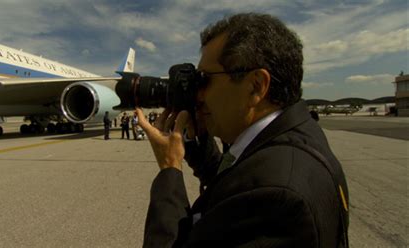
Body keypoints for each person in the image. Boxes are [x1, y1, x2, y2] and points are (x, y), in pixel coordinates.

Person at [136, 12, 349, 247]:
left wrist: (169, 170)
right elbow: (238, 181)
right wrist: (198, 145)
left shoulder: (277, 198)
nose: (197, 95)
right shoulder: (295, 135)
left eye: (205, 79)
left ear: (255, 86)